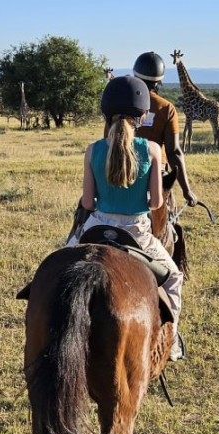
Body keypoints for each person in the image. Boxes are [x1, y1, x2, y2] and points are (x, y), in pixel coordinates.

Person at [70, 75, 185, 361]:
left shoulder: (93, 150)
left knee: (57, 265)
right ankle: (170, 344)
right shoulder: (153, 150)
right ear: (143, 115)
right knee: (173, 277)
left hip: (96, 228)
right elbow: (157, 202)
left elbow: (87, 202)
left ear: (105, 114)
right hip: (137, 233)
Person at [131, 51, 198, 208]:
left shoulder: (119, 104)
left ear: (135, 75)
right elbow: (173, 152)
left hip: (117, 170)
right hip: (155, 172)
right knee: (171, 223)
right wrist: (187, 191)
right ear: (159, 81)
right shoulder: (166, 108)